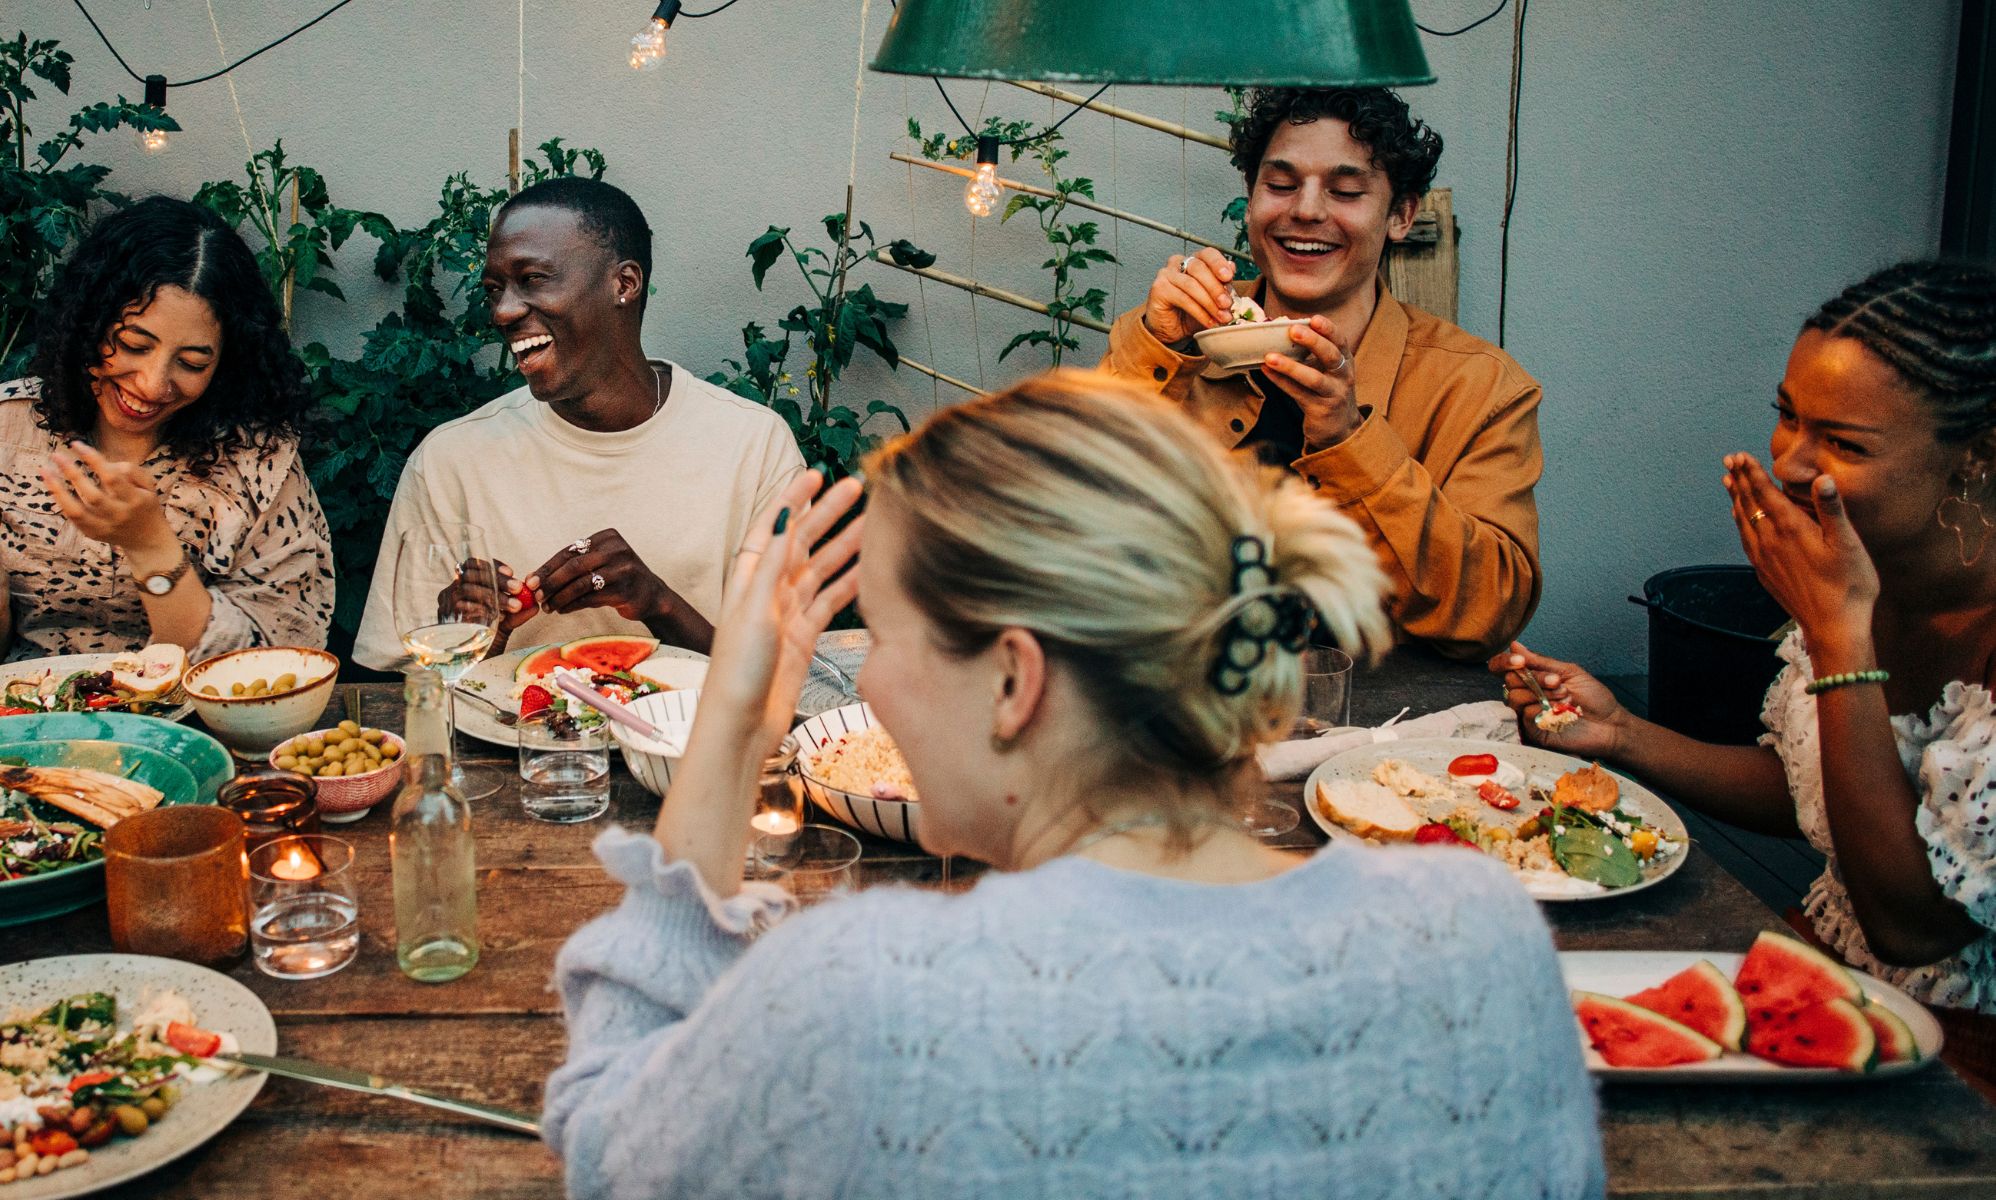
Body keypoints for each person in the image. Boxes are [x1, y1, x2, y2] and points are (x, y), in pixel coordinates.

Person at [546, 371, 1604, 1198]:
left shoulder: (867, 1001)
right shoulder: (1483, 938)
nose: (866, 675)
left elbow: (609, 1151)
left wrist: (731, 723)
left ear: (1013, 680)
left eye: (889, 634)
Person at [1492, 262, 1996, 1070]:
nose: (1791, 462)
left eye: (1843, 442)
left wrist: (1838, 637)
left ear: (1976, 458)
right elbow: (1812, 786)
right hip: (1815, 973)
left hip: (1964, 1051)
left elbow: (1915, 925)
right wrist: (1624, 736)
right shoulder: (1864, 564)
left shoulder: (1847, 599)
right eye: (1787, 418)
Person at [1100, 87, 1543, 661]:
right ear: (1252, 198)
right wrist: (1156, 349)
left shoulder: (1481, 387)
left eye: (1346, 191)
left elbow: (1489, 611)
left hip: (1385, 729)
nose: (1305, 211)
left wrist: (1347, 440)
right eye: (1280, 185)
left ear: (1402, 215)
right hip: (1185, 703)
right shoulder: (1177, 339)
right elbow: (1063, 521)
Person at [352, 177, 803, 667]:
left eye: (532, 279)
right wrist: (474, 640)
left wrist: (658, 603)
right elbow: (399, 694)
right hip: (501, 741)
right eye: (493, 289)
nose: (503, 311)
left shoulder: (752, 447)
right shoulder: (450, 461)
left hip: (693, 743)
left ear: (624, 284)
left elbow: (782, 679)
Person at [0, 196, 333, 662]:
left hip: (192, 722)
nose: (153, 385)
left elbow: (275, 662)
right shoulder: (9, 430)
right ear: (86, 324)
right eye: (134, 345)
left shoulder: (256, 462)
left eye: (192, 362)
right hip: (30, 720)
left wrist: (149, 546)